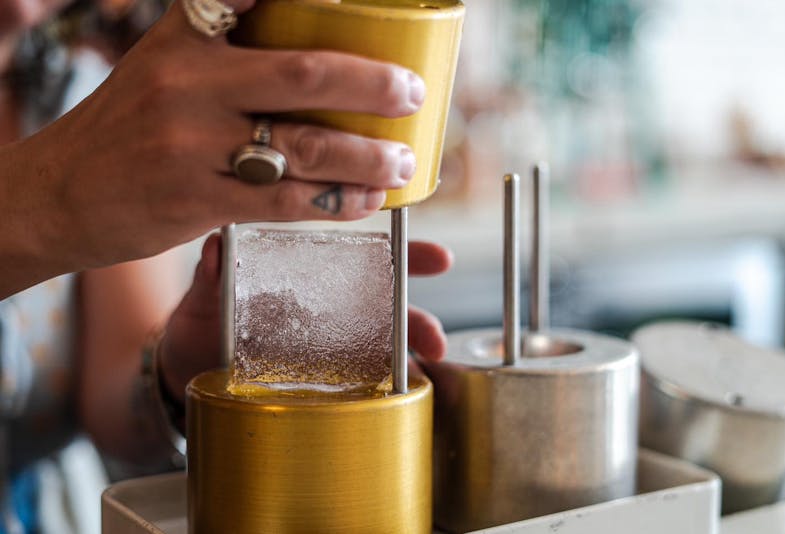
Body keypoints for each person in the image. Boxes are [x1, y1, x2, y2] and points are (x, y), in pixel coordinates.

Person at [1, 0, 454, 531]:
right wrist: (53, 195)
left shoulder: (85, 96)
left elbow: (116, 409)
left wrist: (182, 367)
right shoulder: (102, 126)